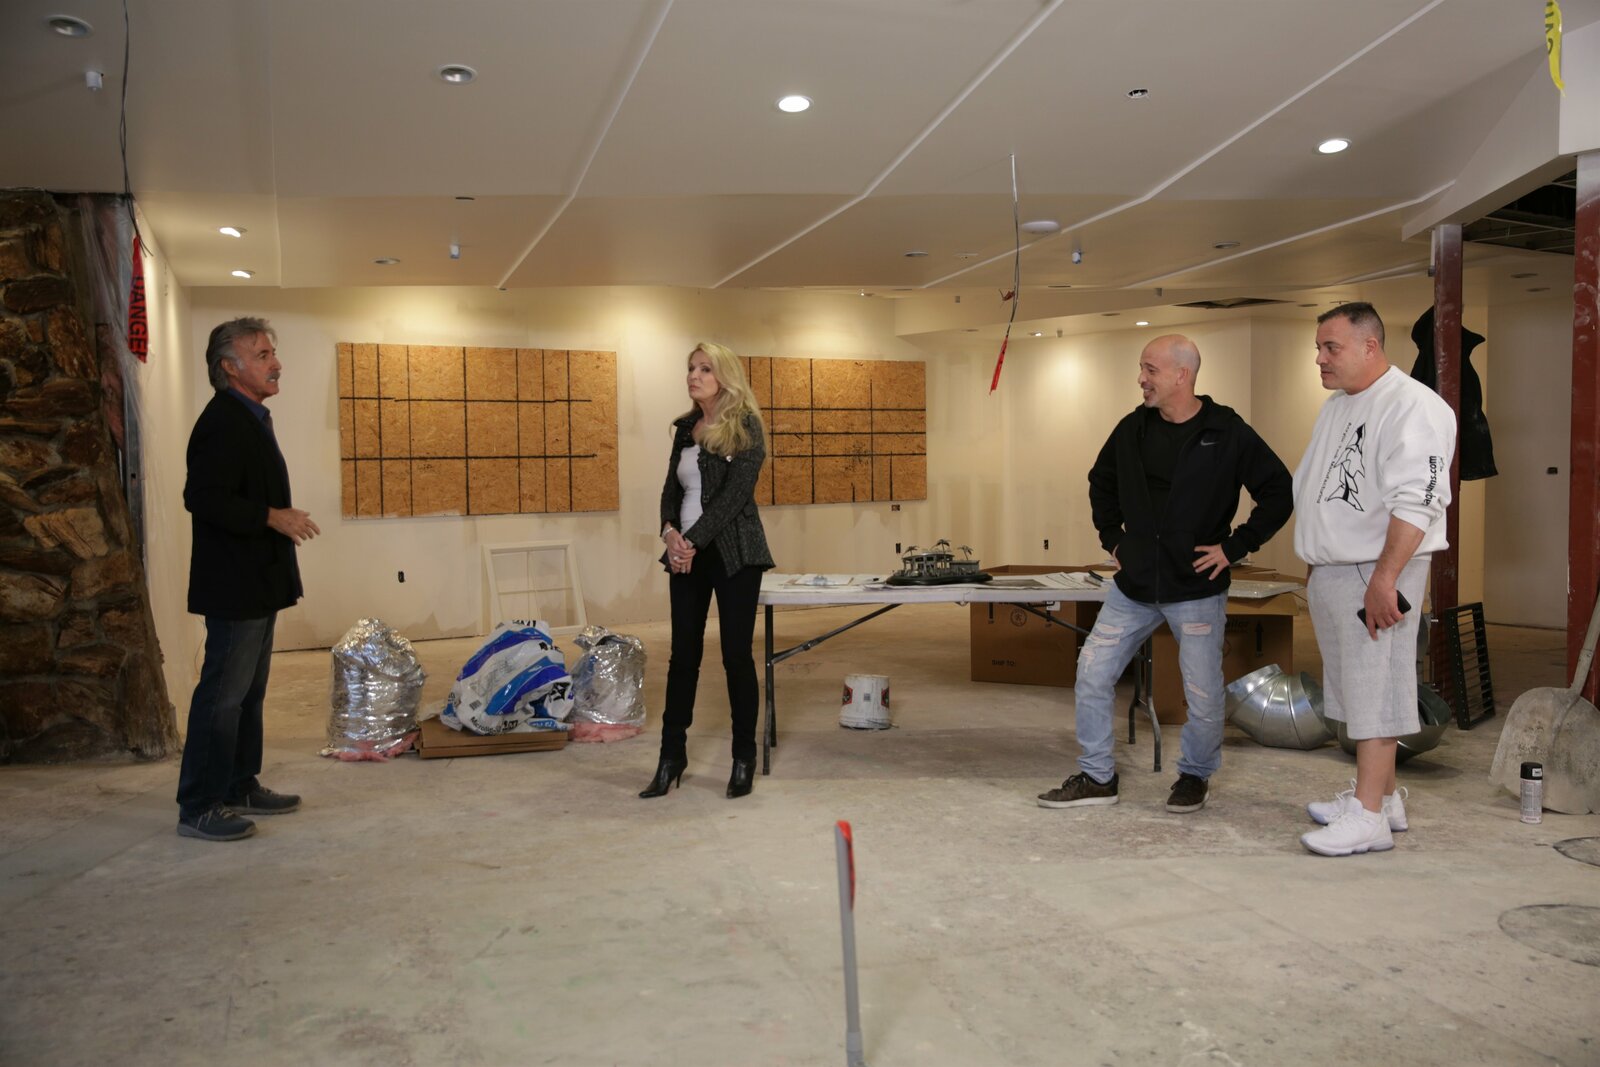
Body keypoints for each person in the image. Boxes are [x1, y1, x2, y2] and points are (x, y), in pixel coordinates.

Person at [1036, 334, 1293, 814]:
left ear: (1182, 374)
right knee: (1092, 673)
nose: (1141, 379)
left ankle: (1194, 775)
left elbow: (1279, 491)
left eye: (1150, 370)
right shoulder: (1132, 428)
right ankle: (1097, 776)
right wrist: (1114, 539)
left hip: (1195, 589)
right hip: (1133, 589)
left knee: (1202, 693)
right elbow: (1101, 482)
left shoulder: (1226, 430)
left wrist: (1235, 547)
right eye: (1141, 368)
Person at [1296, 303, 1455, 856]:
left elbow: (1420, 500)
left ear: (1370, 346)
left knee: (1376, 691)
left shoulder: (1414, 406)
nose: (1320, 359)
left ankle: (1367, 820)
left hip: (1377, 568)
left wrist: (1386, 578)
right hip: (1340, 569)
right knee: (1354, 689)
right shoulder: (1340, 404)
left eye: (1331, 347)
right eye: (1318, 348)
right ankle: (1383, 800)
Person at [175, 318, 319, 841]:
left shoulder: (249, 417)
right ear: (229, 367)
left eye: (271, 353)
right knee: (222, 696)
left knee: (248, 694)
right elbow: (202, 497)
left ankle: (238, 783)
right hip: (234, 585)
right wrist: (270, 516)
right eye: (262, 355)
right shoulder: (223, 421)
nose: (276, 363)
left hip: (257, 581)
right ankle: (199, 805)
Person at [641, 342, 774, 800]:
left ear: (725, 376)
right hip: (685, 554)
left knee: (736, 656)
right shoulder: (685, 428)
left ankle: (743, 758)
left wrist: (692, 542)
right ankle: (670, 757)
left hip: (735, 554)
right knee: (683, 657)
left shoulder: (746, 426)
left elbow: (735, 497)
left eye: (704, 369)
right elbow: (670, 490)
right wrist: (669, 533)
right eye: (690, 368)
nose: (693, 376)